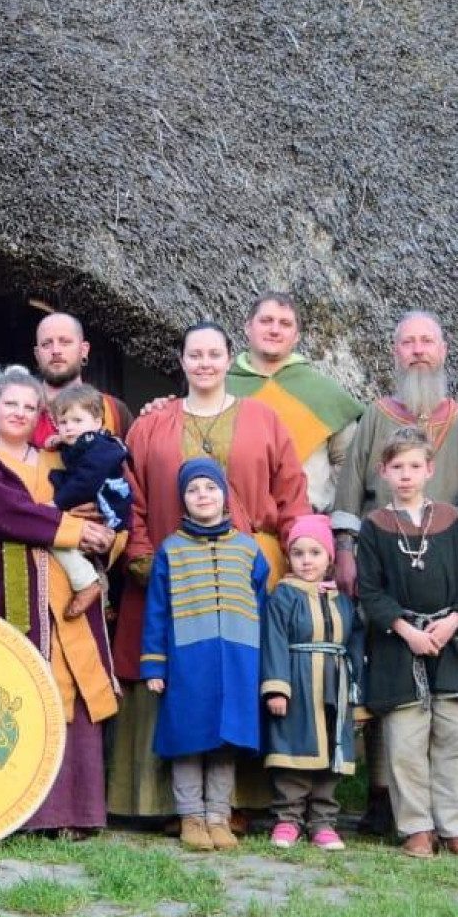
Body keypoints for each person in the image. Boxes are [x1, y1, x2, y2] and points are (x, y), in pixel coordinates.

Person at [109, 323, 309, 826]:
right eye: (194, 354)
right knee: (173, 680)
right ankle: (164, 804)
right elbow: (132, 497)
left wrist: (301, 557)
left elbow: (291, 494)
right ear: (181, 361)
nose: (204, 363)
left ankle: (236, 803)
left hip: (246, 577)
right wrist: (143, 557)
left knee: (239, 677)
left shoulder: (264, 419)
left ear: (228, 359)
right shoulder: (152, 425)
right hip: (170, 573)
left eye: (214, 354)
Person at [0, 371, 120, 838]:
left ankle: (78, 812)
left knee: (76, 679)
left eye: (30, 407)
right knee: (13, 688)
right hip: (4, 585)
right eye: (10, 404)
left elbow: (107, 492)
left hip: (70, 587)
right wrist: (72, 527)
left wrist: (109, 533)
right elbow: (6, 512)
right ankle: (20, 812)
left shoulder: (62, 459)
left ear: (40, 417)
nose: (19, 413)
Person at [356, 428, 458, 859]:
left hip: (451, 644)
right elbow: (370, 591)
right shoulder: (374, 527)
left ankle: (456, 829)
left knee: (454, 738)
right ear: (383, 472)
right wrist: (408, 631)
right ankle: (416, 828)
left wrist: (452, 621)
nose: (406, 475)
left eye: (415, 466)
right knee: (406, 742)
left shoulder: (451, 521)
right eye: (397, 467)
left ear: (430, 469)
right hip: (399, 646)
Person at [141, 458, 268, 851]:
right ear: (183, 499)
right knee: (188, 738)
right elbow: (157, 610)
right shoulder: (171, 550)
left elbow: (262, 607)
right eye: (193, 490)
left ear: (224, 494)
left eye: (210, 488)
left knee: (225, 741)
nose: (203, 496)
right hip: (188, 661)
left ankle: (218, 816)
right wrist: (155, 664)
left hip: (238, 660)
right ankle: (191, 817)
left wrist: (263, 667)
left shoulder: (248, 550)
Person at [260, 514, 361, 852]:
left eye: (315, 553)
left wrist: (356, 690)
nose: (306, 560)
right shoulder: (283, 596)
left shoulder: (342, 600)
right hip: (298, 681)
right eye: (298, 553)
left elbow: (354, 642)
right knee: (295, 748)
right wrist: (277, 688)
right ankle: (288, 818)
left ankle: (323, 821)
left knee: (333, 749)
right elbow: (274, 640)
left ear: (329, 558)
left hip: (335, 683)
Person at [337, 311, 458, 522]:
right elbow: (348, 498)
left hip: (450, 541)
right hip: (380, 540)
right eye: (408, 342)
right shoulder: (376, 416)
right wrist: (346, 540)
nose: (418, 350)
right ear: (395, 353)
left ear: (443, 351)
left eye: (427, 341)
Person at [225, 292, 366, 517]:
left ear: (297, 336)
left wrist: (324, 502)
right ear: (248, 327)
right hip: (233, 520)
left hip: (305, 525)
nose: (274, 330)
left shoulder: (322, 391)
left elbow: (348, 461)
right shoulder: (221, 389)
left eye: (285, 324)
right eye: (266, 320)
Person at [47, 381, 132, 620]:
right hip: (100, 507)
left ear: (97, 422)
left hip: (108, 510)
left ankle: (86, 583)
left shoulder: (100, 448)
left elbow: (85, 480)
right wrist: (59, 441)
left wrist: (56, 504)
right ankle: (104, 600)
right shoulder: (86, 444)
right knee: (82, 548)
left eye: (77, 421)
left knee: (56, 537)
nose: (69, 428)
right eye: (63, 422)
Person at [29, 311, 135, 447]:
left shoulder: (113, 410)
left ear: (84, 350)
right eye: (46, 344)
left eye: (65, 342)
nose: (55, 350)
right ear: (37, 355)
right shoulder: (20, 412)